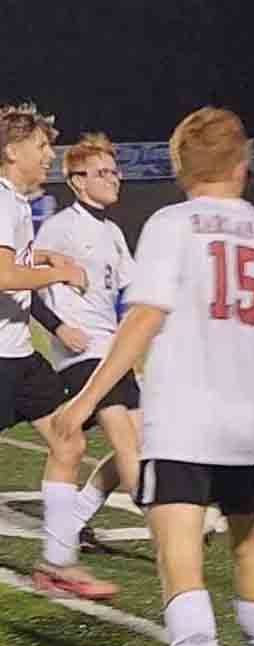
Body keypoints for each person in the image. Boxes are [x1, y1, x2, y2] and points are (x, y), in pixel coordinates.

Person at [55, 106, 254, 646]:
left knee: (181, 562)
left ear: (179, 168)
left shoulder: (170, 225)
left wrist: (86, 398)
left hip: (180, 423)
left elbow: (145, 317)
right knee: (248, 542)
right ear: (242, 165)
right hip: (246, 425)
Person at [0, 102, 118, 599]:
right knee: (68, 441)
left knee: (68, 441)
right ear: (11, 150)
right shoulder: (4, 202)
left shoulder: (16, 204)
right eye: (41, 146)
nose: (50, 154)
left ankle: (57, 562)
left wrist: (42, 256)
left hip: (19, 356)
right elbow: (3, 275)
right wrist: (59, 272)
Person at [36, 132, 141, 551]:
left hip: (110, 352)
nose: (113, 179)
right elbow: (22, 287)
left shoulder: (113, 232)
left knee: (140, 442)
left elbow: (131, 296)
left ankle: (74, 520)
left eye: (115, 171)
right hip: (81, 355)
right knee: (130, 448)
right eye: (102, 173)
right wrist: (60, 328)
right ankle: (183, 519)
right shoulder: (59, 227)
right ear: (77, 181)